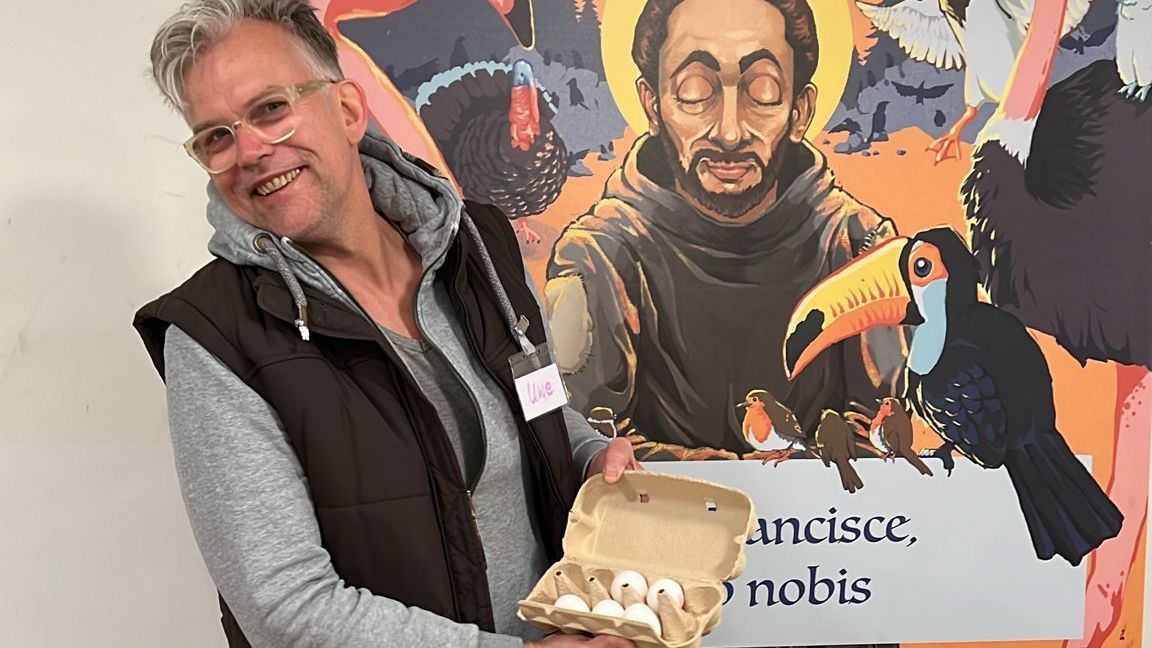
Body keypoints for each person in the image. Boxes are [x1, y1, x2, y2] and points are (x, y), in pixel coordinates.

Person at [131, 1, 639, 646]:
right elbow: (286, 610)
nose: (249, 150)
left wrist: (590, 457)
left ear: (347, 110)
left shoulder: (480, 248)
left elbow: (539, 405)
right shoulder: (214, 338)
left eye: (271, 109)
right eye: (215, 137)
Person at [544, 0, 909, 462]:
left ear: (800, 110)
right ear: (653, 106)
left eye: (763, 92)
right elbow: (583, 439)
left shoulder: (861, 247)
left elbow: (877, 436)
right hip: (657, 509)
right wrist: (741, 481)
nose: (731, 132)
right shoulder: (598, 258)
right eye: (695, 91)